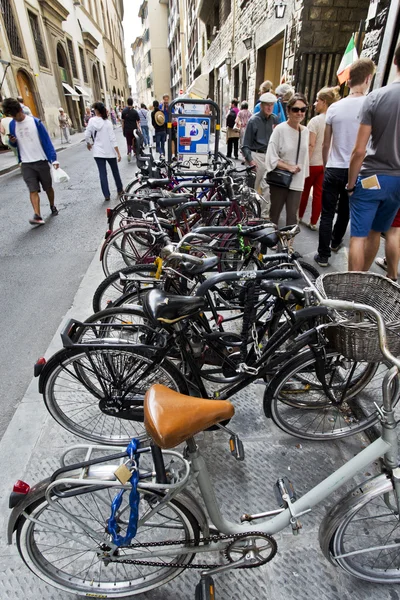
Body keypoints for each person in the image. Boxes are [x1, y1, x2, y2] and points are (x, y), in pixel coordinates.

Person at [314, 57, 376, 267]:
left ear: (348, 81)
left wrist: (326, 164)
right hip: (357, 169)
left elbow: (325, 143)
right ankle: (335, 242)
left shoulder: (334, 108)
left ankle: (322, 255)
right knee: (346, 211)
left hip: (333, 166)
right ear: (368, 78)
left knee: (327, 213)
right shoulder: (371, 105)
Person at [347, 45, 400, 279]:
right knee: (377, 233)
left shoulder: (375, 98)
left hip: (372, 177)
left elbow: (359, 151)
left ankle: (352, 290)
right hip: (398, 182)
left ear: (395, 62)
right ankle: (365, 284)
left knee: (359, 236)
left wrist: (350, 184)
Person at [2, 97, 59, 225]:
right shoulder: (12, 124)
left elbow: (47, 142)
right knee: (32, 190)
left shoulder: (36, 122)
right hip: (26, 163)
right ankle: (37, 215)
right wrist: (12, 142)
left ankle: (52, 205)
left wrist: (53, 160)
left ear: (19, 111)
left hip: (41, 161)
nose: (13, 117)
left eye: (13, 114)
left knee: (48, 187)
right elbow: (15, 145)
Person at [298, 86, 340, 230]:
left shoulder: (315, 121)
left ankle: (299, 216)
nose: (315, 104)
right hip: (326, 163)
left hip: (312, 163)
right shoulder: (335, 119)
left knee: (304, 191)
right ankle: (314, 221)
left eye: (317, 100)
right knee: (318, 194)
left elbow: (311, 144)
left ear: (324, 102)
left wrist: (305, 163)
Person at [266, 93, 310, 226]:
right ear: (288, 110)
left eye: (303, 109)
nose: (299, 113)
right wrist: (289, 167)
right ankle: (272, 240)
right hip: (280, 178)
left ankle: (288, 245)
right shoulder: (280, 130)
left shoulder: (305, 131)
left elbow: (305, 156)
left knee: (292, 216)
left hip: (297, 180)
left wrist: (303, 175)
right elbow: (271, 157)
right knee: (275, 213)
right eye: (296, 109)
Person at [242, 92, 278, 217]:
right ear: (261, 105)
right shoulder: (254, 120)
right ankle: (247, 213)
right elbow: (245, 144)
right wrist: (251, 160)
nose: (269, 107)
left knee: (268, 188)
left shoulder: (274, 119)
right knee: (252, 188)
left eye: (271, 105)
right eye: (267, 105)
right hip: (256, 155)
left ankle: (263, 215)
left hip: (270, 156)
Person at [85, 101, 123, 202]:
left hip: (98, 152)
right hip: (109, 151)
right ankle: (120, 189)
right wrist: (118, 153)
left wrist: (88, 143)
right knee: (115, 171)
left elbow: (87, 134)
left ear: (96, 111)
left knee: (102, 173)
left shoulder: (92, 121)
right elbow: (112, 139)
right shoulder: (108, 123)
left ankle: (106, 194)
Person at [121, 97, 140, 162]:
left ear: (127, 102)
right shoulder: (135, 112)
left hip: (127, 129)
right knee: (134, 141)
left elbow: (123, 121)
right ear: (132, 103)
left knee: (128, 142)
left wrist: (123, 129)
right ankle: (135, 152)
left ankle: (129, 152)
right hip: (134, 129)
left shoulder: (124, 111)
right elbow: (138, 121)